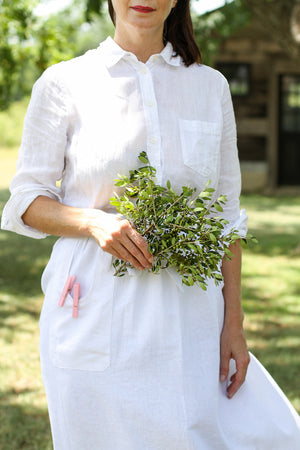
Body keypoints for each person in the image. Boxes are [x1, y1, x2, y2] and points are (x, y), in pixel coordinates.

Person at [1, 0, 300, 448]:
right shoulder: (65, 82)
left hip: (190, 314)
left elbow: (226, 215)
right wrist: (92, 221)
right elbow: (25, 200)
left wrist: (232, 321)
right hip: (93, 306)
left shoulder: (210, 87)